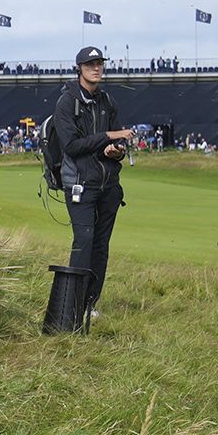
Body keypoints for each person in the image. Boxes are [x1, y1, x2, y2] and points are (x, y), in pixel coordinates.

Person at [53, 46, 129, 319]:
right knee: (84, 240)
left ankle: (89, 303)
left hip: (108, 184)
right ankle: (71, 306)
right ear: (79, 69)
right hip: (79, 183)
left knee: (101, 244)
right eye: (90, 64)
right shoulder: (67, 102)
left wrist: (116, 147)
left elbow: (119, 139)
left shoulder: (107, 100)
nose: (96, 68)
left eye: (99, 64)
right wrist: (109, 135)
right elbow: (72, 146)